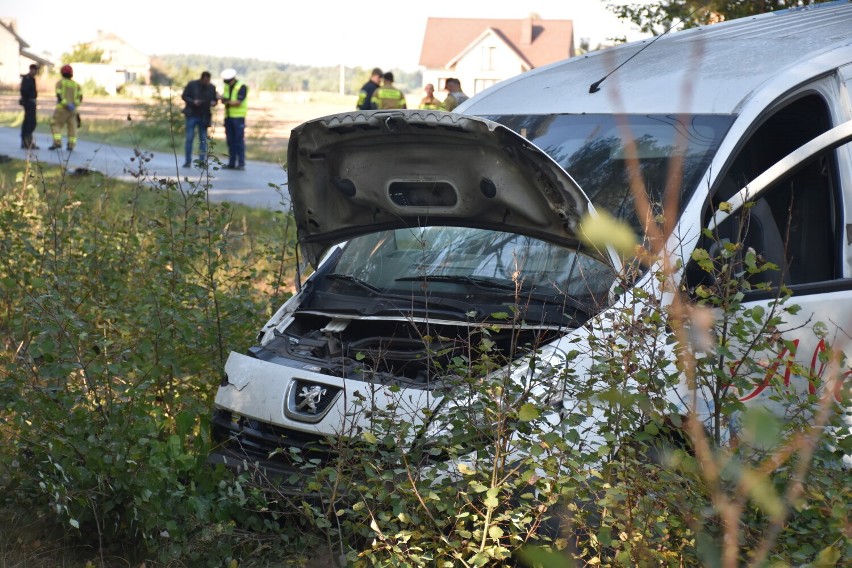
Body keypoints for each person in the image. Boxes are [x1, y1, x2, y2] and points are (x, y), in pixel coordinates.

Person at [181, 71, 218, 168]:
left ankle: (202, 161)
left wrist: (214, 102)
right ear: (202, 79)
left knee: (203, 140)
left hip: (204, 116)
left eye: (208, 81)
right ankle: (188, 161)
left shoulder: (212, 87)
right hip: (192, 114)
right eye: (205, 80)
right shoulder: (192, 85)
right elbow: (184, 96)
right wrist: (193, 102)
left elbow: (215, 99)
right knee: (189, 138)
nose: (207, 82)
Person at [219, 68, 248, 170]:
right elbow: (225, 99)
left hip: (238, 118)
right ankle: (231, 163)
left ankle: (241, 163)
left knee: (238, 141)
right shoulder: (227, 87)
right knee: (230, 141)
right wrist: (223, 99)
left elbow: (238, 102)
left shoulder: (242, 86)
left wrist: (226, 101)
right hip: (228, 117)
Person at [49, 64, 82, 151]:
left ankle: (57, 143)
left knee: (55, 124)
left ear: (62, 73)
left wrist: (66, 104)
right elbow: (80, 97)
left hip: (61, 109)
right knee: (72, 127)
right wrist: (74, 105)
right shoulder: (76, 85)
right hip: (73, 110)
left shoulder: (60, 83)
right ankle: (71, 145)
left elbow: (59, 95)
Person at [20, 64, 39, 149]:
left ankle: (26, 142)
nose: (36, 72)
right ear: (32, 69)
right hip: (29, 102)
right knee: (30, 122)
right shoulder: (27, 79)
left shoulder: (31, 78)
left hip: (31, 102)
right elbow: (24, 90)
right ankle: (27, 142)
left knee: (29, 121)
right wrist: (26, 100)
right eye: (35, 70)